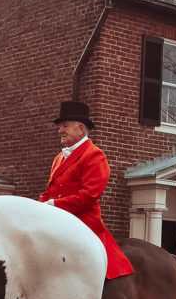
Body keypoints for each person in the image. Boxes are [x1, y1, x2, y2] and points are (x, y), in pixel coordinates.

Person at [39, 101, 134, 279]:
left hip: (82, 221)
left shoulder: (94, 155)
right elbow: (49, 191)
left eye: (65, 126)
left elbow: (89, 195)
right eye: (60, 127)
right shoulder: (59, 157)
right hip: (56, 216)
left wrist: (54, 204)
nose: (60, 131)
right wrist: (37, 206)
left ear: (81, 128)